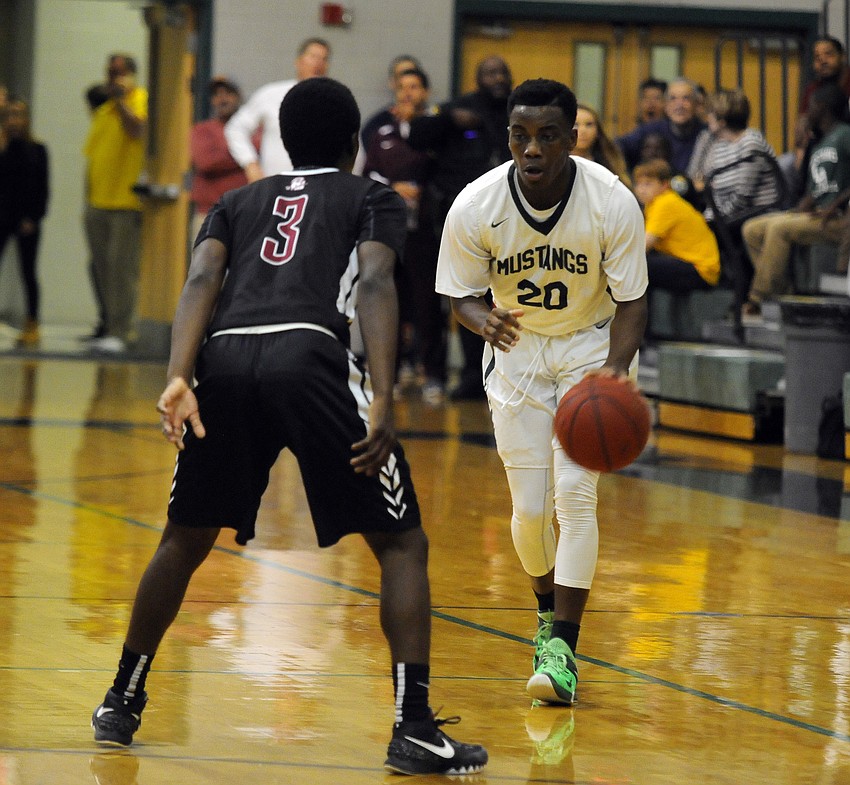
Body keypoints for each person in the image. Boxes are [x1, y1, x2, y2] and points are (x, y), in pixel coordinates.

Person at [89, 76, 487, 777]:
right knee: (401, 541)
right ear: (352, 143)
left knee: (184, 537)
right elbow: (372, 283)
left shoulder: (235, 200)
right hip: (312, 356)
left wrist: (179, 374)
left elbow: (199, 282)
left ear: (283, 140)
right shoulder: (371, 196)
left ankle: (121, 698)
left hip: (227, 358)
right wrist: (386, 397)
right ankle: (414, 727)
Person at [435, 78, 648, 705]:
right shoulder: (476, 205)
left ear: (572, 138)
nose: (532, 149)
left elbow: (633, 303)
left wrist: (613, 372)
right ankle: (545, 610)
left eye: (547, 136)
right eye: (521, 136)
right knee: (529, 511)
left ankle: (562, 650)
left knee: (576, 499)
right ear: (508, 138)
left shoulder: (612, 200)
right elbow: (458, 292)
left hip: (590, 344)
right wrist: (480, 319)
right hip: (517, 352)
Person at [408, 55, 514, 400]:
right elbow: (417, 135)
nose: (498, 78)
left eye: (502, 73)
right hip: (463, 219)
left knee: (503, 294)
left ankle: (507, 372)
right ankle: (472, 373)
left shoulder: (518, 109)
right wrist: (450, 119)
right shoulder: (459, 108)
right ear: (477, 79)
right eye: (490, 73)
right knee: (469, 295)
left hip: (510, 219)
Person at [361, 67, 447, 404]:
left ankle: (433, 376)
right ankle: (388, 376)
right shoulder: (381, 129)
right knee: (388, 303)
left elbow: (440, 168)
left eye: (414, 87)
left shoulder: (435, 129)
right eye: (402, 87)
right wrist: (392, 186)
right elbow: (368, 173)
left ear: (425, 91)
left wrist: (421, 190)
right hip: (388, 231)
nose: (408, 93)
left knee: (428, 304)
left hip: (425, 230)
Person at [742, 83, 850, 316]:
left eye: (810, 106)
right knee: (753, 229)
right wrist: (798, 209)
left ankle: (760, 299)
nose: (806, 112)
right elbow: (815, 189)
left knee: (780, 229)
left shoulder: (845, 134)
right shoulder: (819, 142)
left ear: (822, 107)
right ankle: (782, 292)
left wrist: (837, 203)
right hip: (817, 214)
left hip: (839, 219)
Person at [83, 53, 148, 354]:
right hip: (98, 203)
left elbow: (137, 131)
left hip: (126, 203)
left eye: (119, 73)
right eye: (109, 73)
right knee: (100, 268)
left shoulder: (141, 102)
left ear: (132, 75)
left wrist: (123, 102)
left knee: (121, 270)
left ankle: (123, 331)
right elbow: (93, 158)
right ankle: (109, 325)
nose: (112, 78)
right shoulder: (103, 111)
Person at [224, 37, 330, 182]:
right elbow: (236, 128)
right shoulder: (272, 94)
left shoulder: (334, 100)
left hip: (320, 187)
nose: (318, 63)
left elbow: (353, 146)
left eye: (323, 59)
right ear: (299, 62)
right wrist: (250, 163)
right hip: (276, 187)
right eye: (313, 57)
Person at [634, 158, 720, 332]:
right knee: (639, 266)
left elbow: (643, 247)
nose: (641, 189)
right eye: (639, 184)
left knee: (638, 267)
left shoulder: (665, 203)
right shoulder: (655, 204)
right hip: (688, 263)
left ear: (664, 185)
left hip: (701, 269)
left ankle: (640, 335)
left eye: (648, 184)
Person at [0, 98, 49, 346]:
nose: (14, 120)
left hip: (26, 218)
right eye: (9, 115)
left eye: (18, 114)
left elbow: (42, 187)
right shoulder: (3, 147)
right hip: (2, 215)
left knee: (28, 271)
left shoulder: (37, 149)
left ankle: (32, 321)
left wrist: (34, 217)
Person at [189, 75, 248, 241]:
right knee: (205, 266)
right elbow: (205, 162)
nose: (222, 99)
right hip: (209, 213)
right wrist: (244, 154)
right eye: (217, 94)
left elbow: (260, 151)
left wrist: (225, 154)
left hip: (244, 213)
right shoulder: (203, 130)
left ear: (238, 96)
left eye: (228, 93)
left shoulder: (250, 129)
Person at [616, 77, 707, 175]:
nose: (679, 105)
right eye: (673, 99)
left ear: (696, 104)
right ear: (666, 105)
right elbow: (617, 146)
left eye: (686, 98)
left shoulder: (706, 134)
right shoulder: (651, 129)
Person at [360, 54, 424, 154]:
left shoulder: (436, 123)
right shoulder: (376, 126)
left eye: (412, 74)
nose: (407, 92)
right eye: (401, 77)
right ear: (392, 83)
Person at [572, 103, 631, 184]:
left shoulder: (610, 164)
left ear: (598, 131)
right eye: (575, 124)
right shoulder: (554, 165)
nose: (583, 130)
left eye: (589, 124)